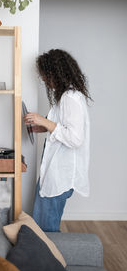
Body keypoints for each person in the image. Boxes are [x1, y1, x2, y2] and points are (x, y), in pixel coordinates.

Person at [23, 49, 92, 232]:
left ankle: (50, 259)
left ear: (56, 72)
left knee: (46, 228)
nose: (44, 80)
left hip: (60, 174)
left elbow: (75, 138)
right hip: (54, 171)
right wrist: (42, 127)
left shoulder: (70, 98)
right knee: (43, 223)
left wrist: (44, 121)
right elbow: (61, 127)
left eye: (46, 75)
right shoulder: (64, 97)